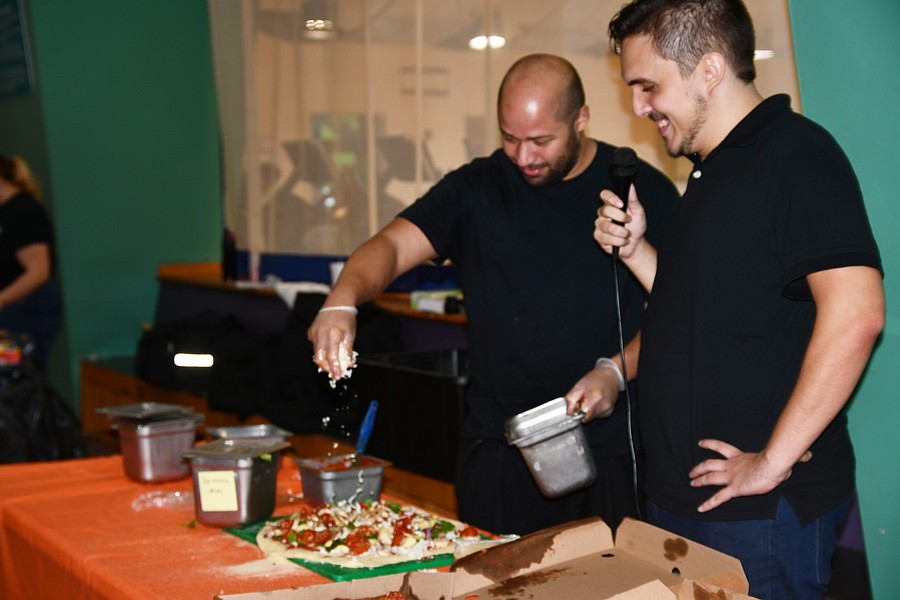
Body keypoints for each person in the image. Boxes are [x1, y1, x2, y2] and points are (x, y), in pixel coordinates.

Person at [308, 53, 680, 536]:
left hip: (608, 454)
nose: (523, 157)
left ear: (581, 119)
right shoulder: (476, 188)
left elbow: (679, 314)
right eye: (510, 138)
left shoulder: (636, 189)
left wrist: (616, 371)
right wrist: (342, 300)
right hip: (497, 452)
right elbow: (391, 247)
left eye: (541, 141)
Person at [591, 1, 884, 597]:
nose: (639, 107)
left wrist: (773, 460)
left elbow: (857, 313)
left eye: (648, 86)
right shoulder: (711, 173)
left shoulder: (797, 155)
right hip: (689, 505)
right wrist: (638, 251)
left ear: (709, 70)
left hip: (757, 516)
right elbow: (699, 308)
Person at [0, 154, 63, 376]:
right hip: (12, 309)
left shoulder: (24, 211)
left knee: (23, 382)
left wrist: (1, 300)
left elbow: (38, 272)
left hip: (26, 311)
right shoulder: (5, 212)